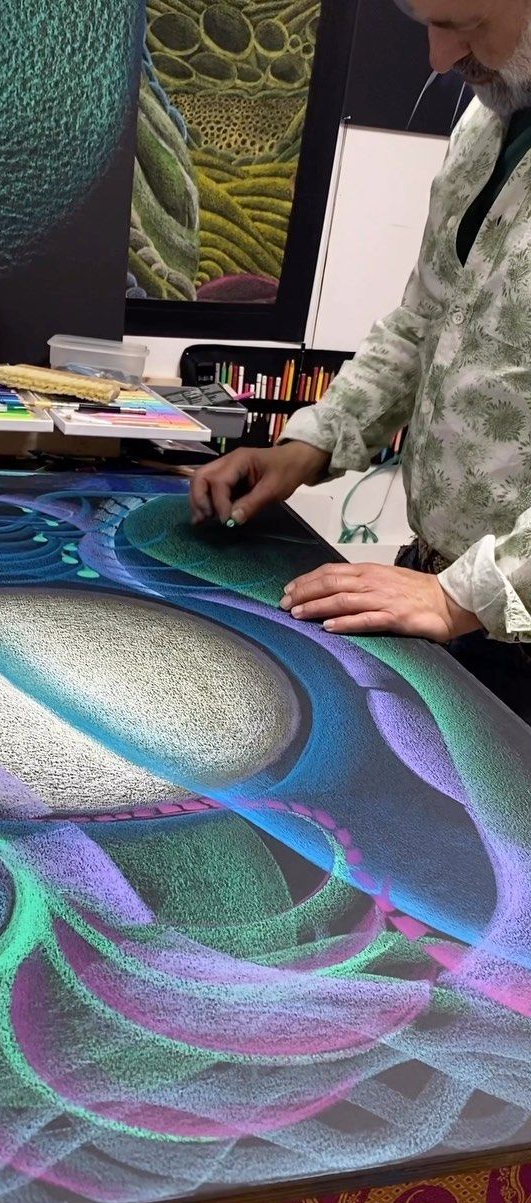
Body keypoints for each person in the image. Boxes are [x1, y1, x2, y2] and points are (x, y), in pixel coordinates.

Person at [190, 0, 531, 724]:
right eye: (429, 26)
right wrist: (307, 446)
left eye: (467, 24)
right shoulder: (488, 120)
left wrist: (468, 594)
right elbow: (423, 323)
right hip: (428, 594)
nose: (440, 60)